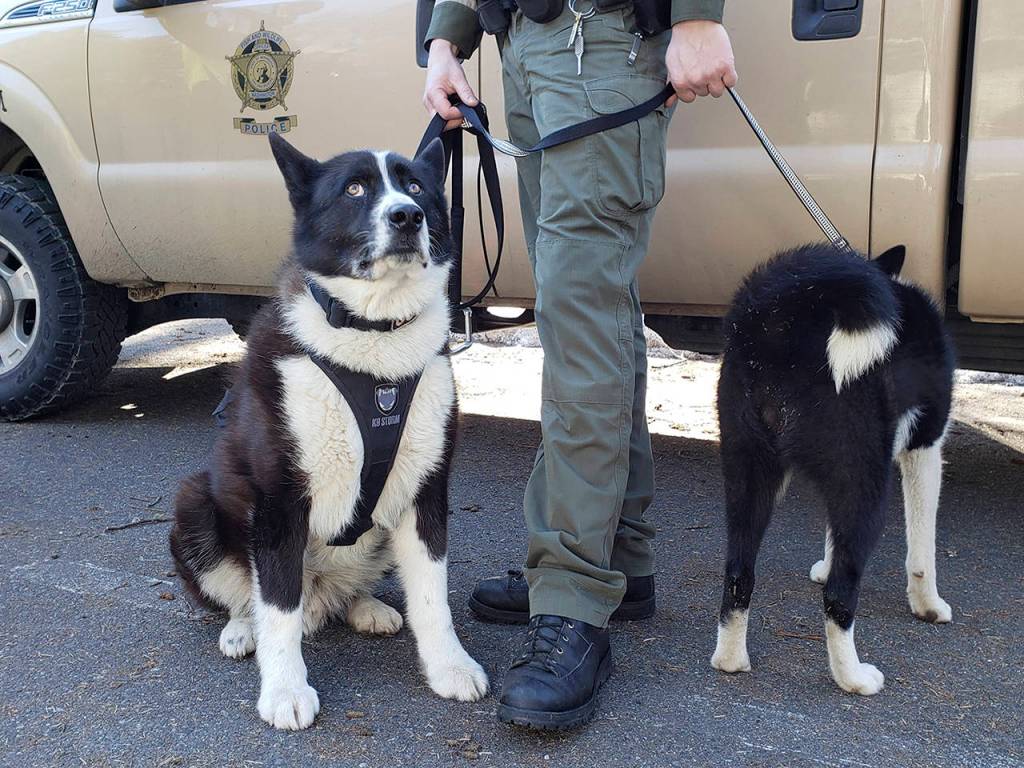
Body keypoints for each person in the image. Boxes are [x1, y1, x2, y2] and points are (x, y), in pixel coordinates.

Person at [422, 0, 737, 729]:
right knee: (596, 313)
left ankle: (570, 593)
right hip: (525, 47)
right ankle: (618, 563)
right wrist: (449, 36)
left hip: (602, 41)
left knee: (580, 322)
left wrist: (694, 13)